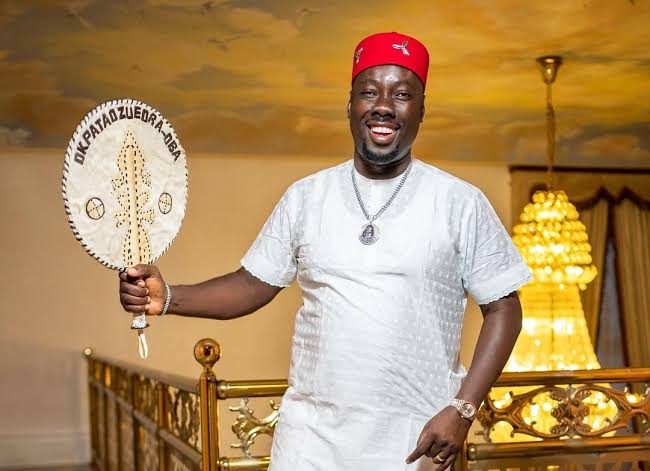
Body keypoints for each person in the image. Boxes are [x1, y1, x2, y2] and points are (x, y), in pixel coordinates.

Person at [119, 32, 532, 470]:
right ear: (350, 105)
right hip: (309, 443)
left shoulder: (459, 202)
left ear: (421, 111)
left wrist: (463, 409)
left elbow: (505, 310)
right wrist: (168, 298)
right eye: (369, 92)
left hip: (413, 441)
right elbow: (253, 284)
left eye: (402, 94)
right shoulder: (306, 197)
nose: (383, 106)